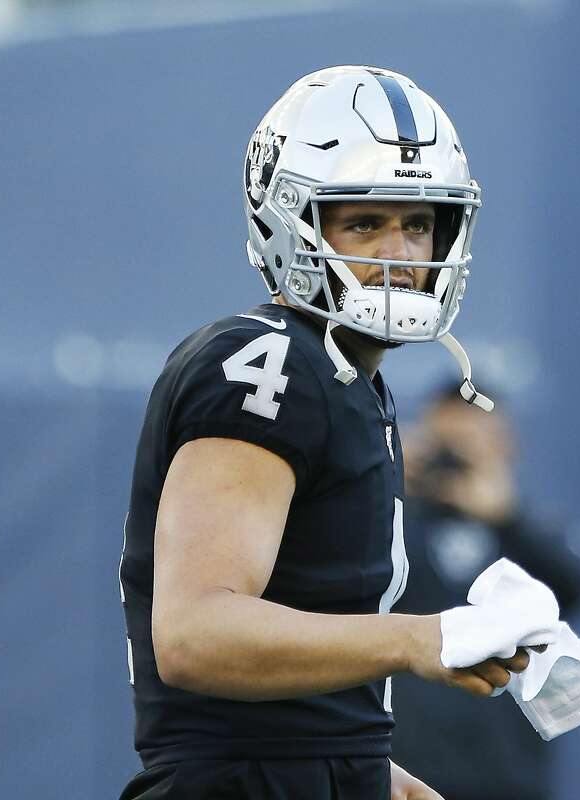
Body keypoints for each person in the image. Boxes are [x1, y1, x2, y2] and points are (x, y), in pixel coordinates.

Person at [117, 66, 528, 800]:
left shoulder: (346, 379)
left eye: (419, 223)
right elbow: (195, 634)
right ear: (290, 221)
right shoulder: (268, 365)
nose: (401, 257)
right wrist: (417, 638)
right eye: (366, 223)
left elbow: (294, 682)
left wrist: (369, 771)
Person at [391, 386, 580, 800]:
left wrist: (506, 517)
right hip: (408, 766)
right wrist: (388, 483)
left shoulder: (526, 529)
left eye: (474, 438)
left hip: (506, 768)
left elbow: (574, 590)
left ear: (506, 443)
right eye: (445, 442)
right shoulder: (395, 523)